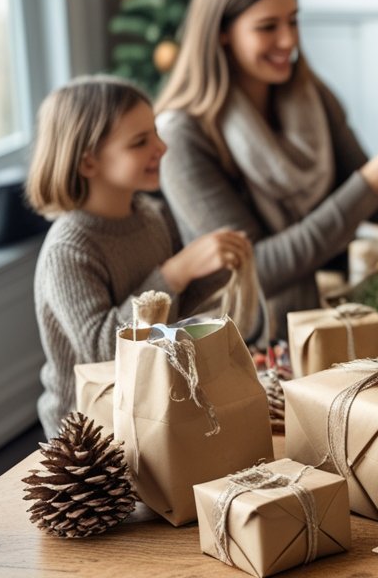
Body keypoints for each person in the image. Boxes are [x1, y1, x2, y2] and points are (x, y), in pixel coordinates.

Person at [156, 0, 378, 336]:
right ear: (222, 32)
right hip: (244, 336)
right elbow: (255, 270)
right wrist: (372, 179)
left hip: (327, 309)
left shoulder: (310, 95)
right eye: (267, 26)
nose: (288, 40)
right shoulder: (182, 135)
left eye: (293, 20)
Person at [27, 76, 253, 438]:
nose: (161, 147)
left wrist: (213, 270)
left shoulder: (151, 215)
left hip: (149, 409)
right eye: (140, 142)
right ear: (88, 163)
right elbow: (104, 351)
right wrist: (176, 272)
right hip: (91, 431)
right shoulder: (68, 250)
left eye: (155, 133)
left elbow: (167, 317)